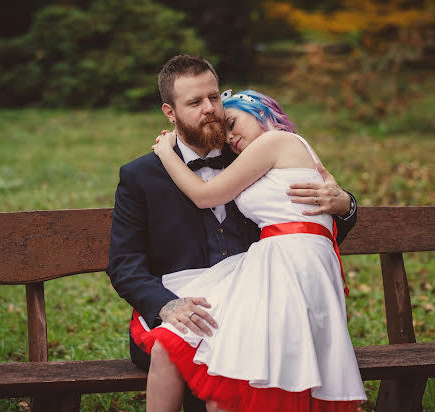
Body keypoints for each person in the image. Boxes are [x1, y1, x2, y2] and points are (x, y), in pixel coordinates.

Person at [106, 54, 358, 412]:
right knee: (185, 349)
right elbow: (125, 265)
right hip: (184, 309)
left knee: (239, 361)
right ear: (170, 112)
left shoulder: (248, 153)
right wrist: (166, 305)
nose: (211, 109)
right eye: (195, 102)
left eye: (214, 97)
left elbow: (306, 227)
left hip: (258, 310)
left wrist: (344, 203)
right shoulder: (141, 176)